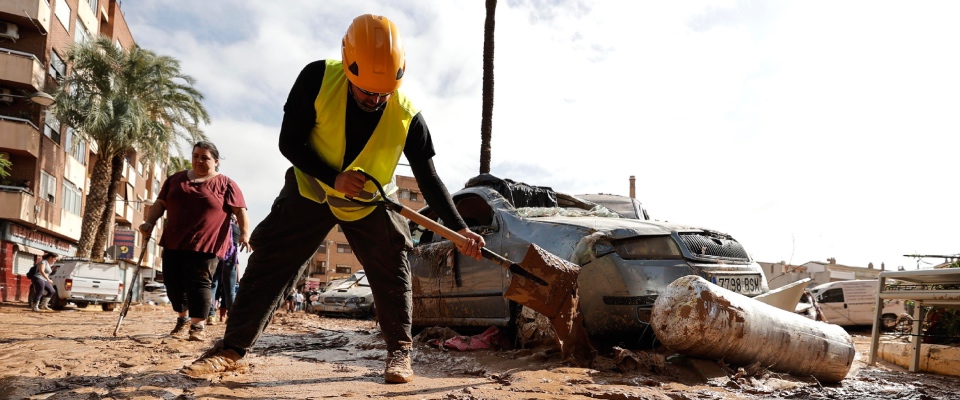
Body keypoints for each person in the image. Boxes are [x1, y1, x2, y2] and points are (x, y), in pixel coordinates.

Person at [183, 14, 484, 384]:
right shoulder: (317, 78)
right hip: (310, 189)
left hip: (371, 202)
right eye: (366, 92)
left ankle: (400, 352)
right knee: (271, 262)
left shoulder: (408, 116)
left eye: (382, 94)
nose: (374, 100)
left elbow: (430, 179)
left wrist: (461, 229)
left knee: (393, 266)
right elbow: (289, 143)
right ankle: (231, 349)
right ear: (348, 65)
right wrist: (334, 177)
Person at [139, 141, 250, 342]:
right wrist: (148, 222)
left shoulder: (226, 184)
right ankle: (182, 318)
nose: (199, 160)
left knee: (200, 282)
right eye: (196, 156)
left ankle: (197, 326)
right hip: (174, 241)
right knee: (173, 283)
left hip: (207, 243)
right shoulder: (176, 180)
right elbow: (160, 204)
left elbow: (240, 210)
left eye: (205, 157)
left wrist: (244, 234)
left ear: (215, 161)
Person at [207, 215, 240, 325]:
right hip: (230, 261)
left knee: (212, 287)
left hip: (215, 259)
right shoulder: (236, 229)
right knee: (230, 291)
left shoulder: (217, 226)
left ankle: (211, 315)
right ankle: (232, 317)